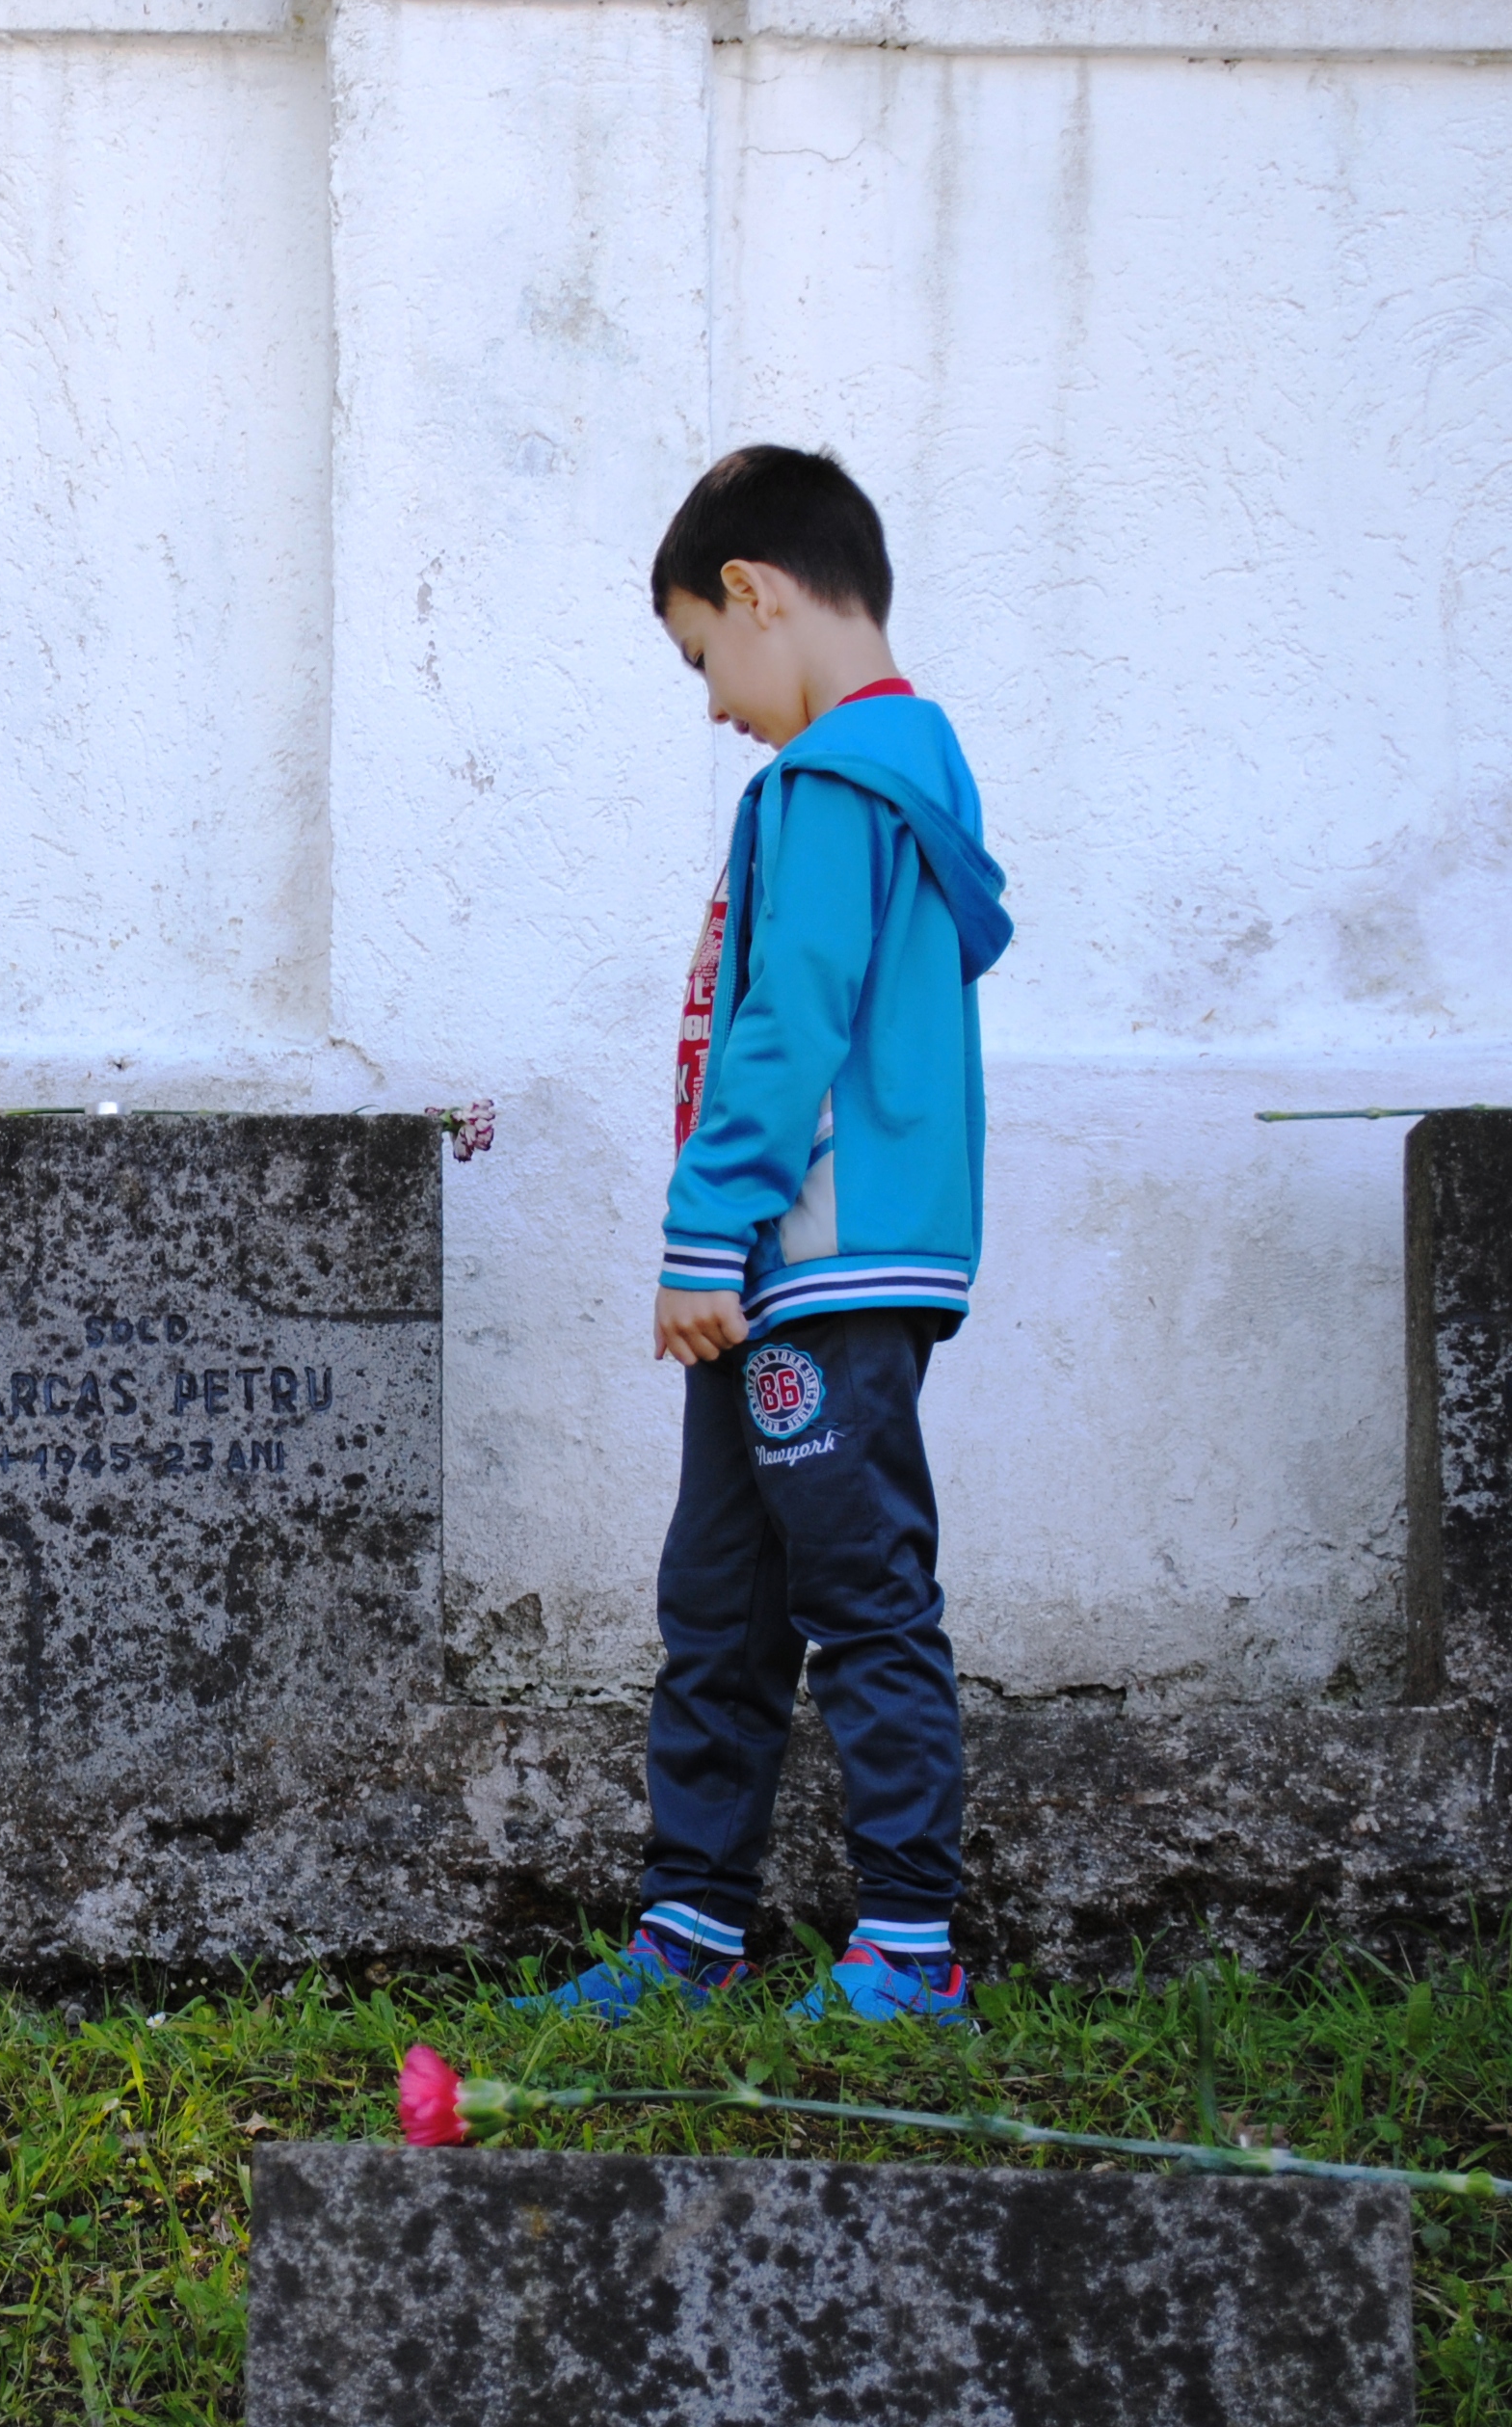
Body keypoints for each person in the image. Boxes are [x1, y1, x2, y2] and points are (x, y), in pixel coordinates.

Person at [513, 445, 1012, 2030]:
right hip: (787, 1275)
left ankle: (912, 1951)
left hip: (815, 1267)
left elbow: (786, 1035)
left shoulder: (832, 785)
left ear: (757, 593)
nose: (715, 704)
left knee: (861, 1596)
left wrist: (697, 1233)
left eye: (701, 658)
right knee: (719, 1596)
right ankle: (689, 1924)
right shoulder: (897, 783)